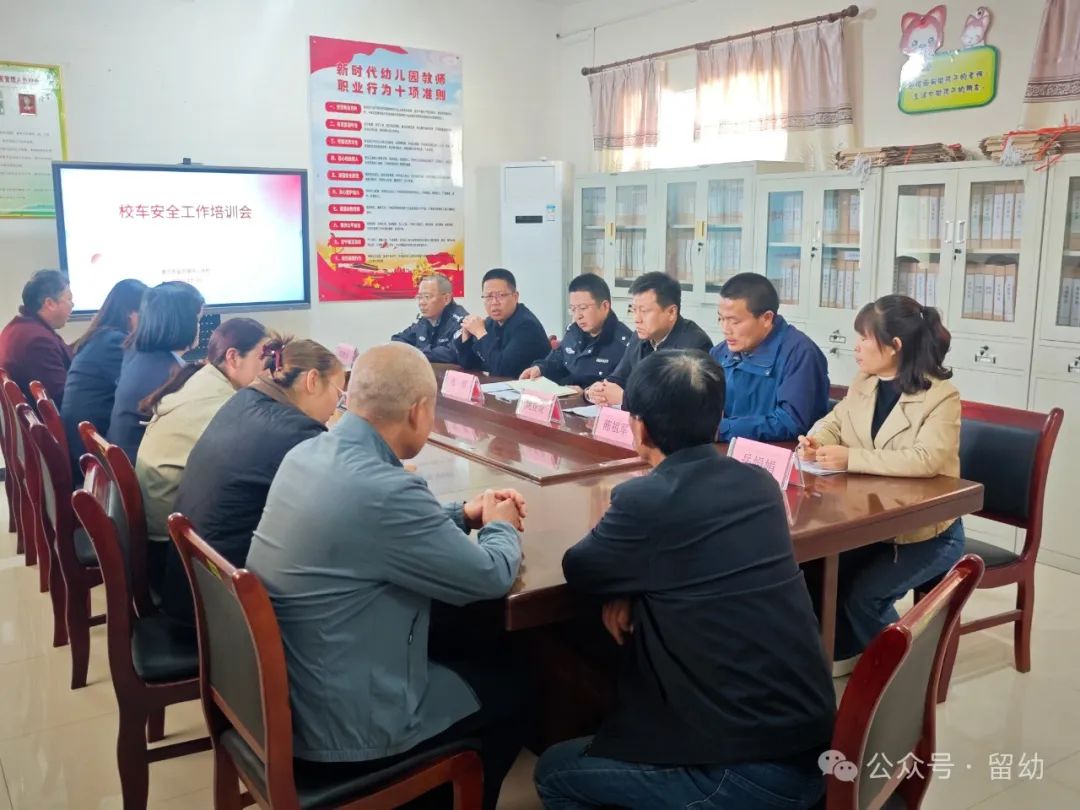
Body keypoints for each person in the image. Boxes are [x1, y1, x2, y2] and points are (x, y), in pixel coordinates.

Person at [534, 350, 835, 810]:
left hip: (743, 773)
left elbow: (581, 568)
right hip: (811, 748)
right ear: (718, 420)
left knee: (555, 770)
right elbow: (694, 559)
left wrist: (626, 581)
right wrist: (633, 584)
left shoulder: (645, 499)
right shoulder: (759, 484)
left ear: (639, 428)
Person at [246, 343, 528, 810]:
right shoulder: (387, 489)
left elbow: (374, 528)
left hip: (291, 695)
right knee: (515, 690)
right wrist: (500, 524)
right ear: (419, 411)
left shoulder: (310, 452)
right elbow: (489, 574)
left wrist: (461, 514)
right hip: (344, 728)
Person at [798, 294, 964, 675]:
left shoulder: (940, 396)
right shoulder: (867, 381)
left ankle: (907, 675)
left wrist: (850, 458)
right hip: (872, 521)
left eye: (863, 338)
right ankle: (839, 651)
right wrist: (816, 438)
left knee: (863, 597)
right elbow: (835, 421)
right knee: (813, 569)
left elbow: (926, 459)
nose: (855, 347)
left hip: (926, 534)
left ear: (894, 347)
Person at [159, 336, 344, 621]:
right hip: (225, 613)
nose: (337, 406)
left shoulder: (245, 399)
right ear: (312, 381)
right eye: (338, 394)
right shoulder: (298, 433)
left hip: (190, 587)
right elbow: (338, 508)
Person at [136, 317, 270, 557]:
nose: (268, 369)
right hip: (170, 539)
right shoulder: (222, 401)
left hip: (159, 515)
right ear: (233, 357)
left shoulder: (203, 378)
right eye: (263, 358)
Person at [710, 273, 829, 442]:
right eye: (720, 319)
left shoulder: (800, 354)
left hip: (781, 456)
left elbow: (791, 423)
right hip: (728, 451)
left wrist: (722, 429)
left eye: (734, 321)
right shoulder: (720, 353)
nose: (725, 329)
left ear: (766, 318)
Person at [106, 281, 204, 464]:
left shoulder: (138, 354)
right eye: (197, 320)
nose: (199, 327)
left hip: (131, 463)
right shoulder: (169, 374)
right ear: (183, 322)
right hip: (148, 475)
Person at [60, 278, 147, 478]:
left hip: (83, 444)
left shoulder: (102, 336)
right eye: (147, 315)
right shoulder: (114, 343)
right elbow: (143, 390)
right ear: (131, 314)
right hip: (91, 456)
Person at [587, 272, 712, 408]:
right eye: (633, 310)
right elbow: (619, 378)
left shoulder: (695, 344)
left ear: (671, 312)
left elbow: (678, 404)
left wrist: (625, 398)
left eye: (644, 311)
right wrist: (598, 390)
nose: (636, 319)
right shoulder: (639, 337)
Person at [520, 274, 632, 389]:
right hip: (565, 400)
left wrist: (585, 394)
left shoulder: (625, 344)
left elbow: (619, 391)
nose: (578, 316)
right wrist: (539, 368)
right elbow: (556, 360)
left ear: (604, 306)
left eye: (583, 308)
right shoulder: (573, 332)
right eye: (573, 309)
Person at [454, 268, 550, 377]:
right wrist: (466, 338)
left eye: (501, 295)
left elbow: (502, 370)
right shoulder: (491, 322)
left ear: (515, 296)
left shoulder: (527, 326)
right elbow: (469, 364)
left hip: (531, 390)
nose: (494, 302)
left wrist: (480, 333)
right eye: (489, 296)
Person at [0, 270, 74, 406]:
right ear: (50, 303)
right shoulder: (37, 341)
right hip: (57, 423)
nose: (72, 305)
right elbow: (65, 398)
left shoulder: (19, 328)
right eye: (69, 299)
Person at [391, 273, 468, 363]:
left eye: (427, 297)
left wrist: (417, 353)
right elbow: (397, 340)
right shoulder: (425, 320)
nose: (421, 303)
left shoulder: (461, 321)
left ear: (446, 299)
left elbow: (452, 354)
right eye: (419, 297)